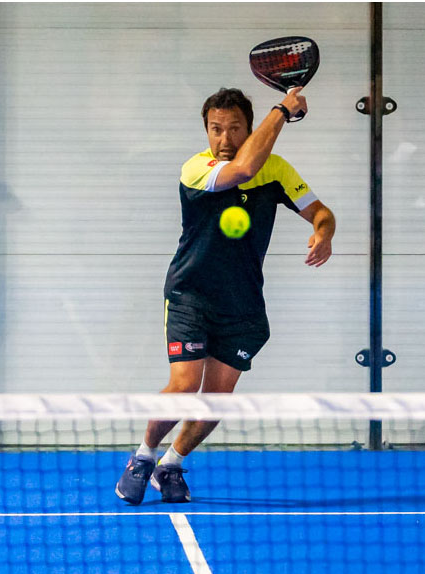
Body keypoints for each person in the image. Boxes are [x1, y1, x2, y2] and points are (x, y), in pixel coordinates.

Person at [116, 87, 335, 504]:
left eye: (234, 128)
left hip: (242, 305)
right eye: (216, 129)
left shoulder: (277, 170)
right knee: (184, 387)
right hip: (191, 294)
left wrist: (323, 234)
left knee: (216, 399)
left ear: (249, 128)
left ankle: (171, 465)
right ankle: (143, 457)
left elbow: (321, 212)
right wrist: (283, 110)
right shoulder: (196, 169)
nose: (224, 138)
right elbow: (242, 169)